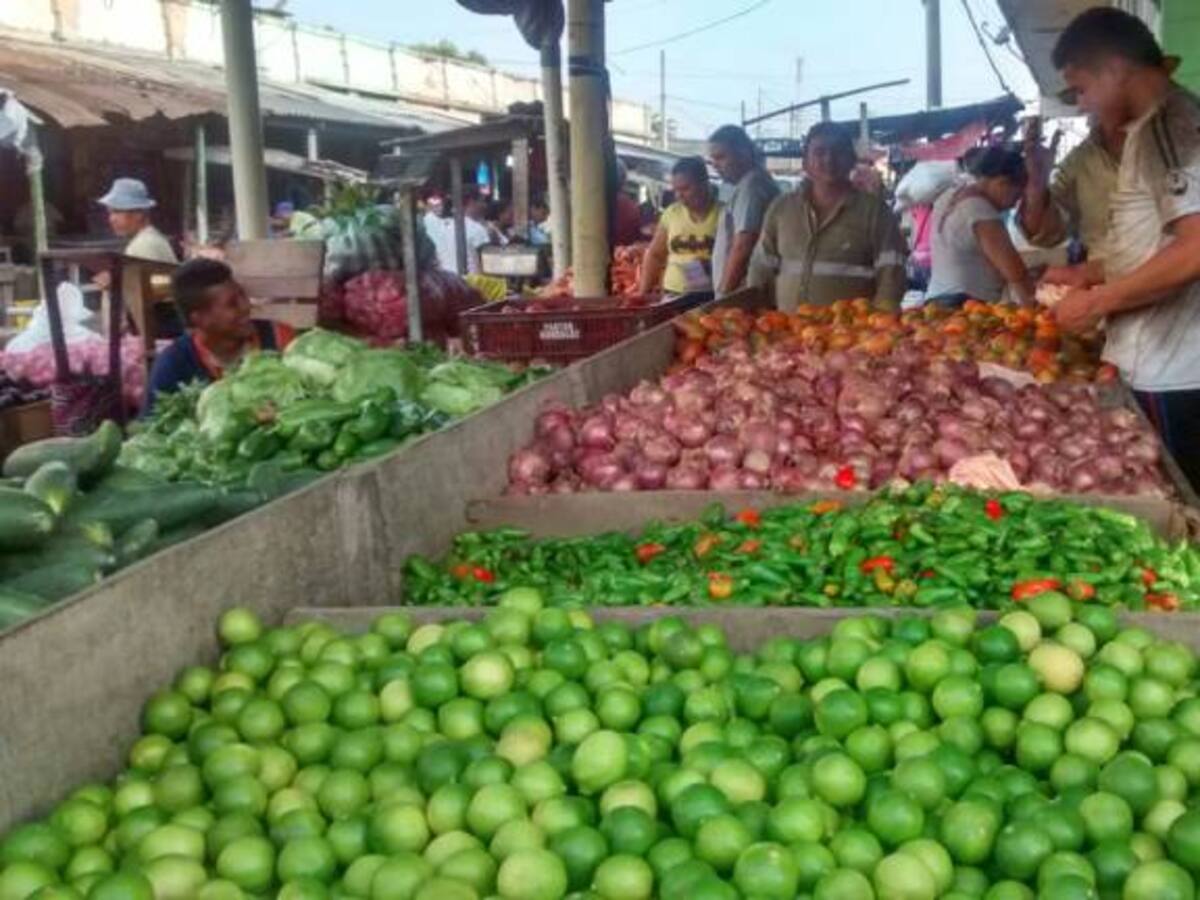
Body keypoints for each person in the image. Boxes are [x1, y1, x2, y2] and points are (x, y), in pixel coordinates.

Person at [1050, 7, 1200, 490]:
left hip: (1172, 371)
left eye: (1082, 89)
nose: (1082, 105)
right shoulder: (1156, 126)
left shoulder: (1167, 127)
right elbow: (1158, 241)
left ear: (1116, 69)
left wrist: (1096, 302)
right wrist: (1092, 272)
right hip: (1162, 363)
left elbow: (1195, 248)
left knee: (1182, 506)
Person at [750, 122, 907, 310]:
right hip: (786, 331)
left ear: (851, 160)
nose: (829, 159)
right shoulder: (781, 209)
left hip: (850, 335)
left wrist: (883, 323)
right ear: (805, 163)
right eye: (819, 152)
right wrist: (757, 317)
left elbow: (892, 274)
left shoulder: (875, 212)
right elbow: (761, 269)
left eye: (838, 152)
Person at [144, 258, 294, 413]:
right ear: (200, 318)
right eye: (232, 304)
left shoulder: (280, 338)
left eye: (243, 295)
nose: (247, 306)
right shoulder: (174, 365)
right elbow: (150, 427)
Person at [925, 147, 1034, 306]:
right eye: (1016, 196)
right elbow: (1015, 273)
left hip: (936, 299)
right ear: (1001, 183)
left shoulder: (948, 196)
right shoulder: (980, 210)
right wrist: (1034, 310)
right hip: (965, 305)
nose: (1013, 205)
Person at [1018, 114, 1122, 281]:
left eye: (1083, 91)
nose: (1082, 106)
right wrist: (1037, 181)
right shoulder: (1081, 158)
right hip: (1105, 282)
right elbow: (1047, 234)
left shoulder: (1170, 141)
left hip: (1170, 278)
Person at [708, 124, 780, 296]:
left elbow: (743, 244)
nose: (715, 165)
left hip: (741, 293)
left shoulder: (752, 187)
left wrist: (723, 295)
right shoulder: (748, 184)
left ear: (744, 153)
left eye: (721, 157)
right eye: (713, 160)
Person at [638, 157, 720, 297]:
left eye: (685, 188)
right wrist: (642, 293)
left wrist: (711, 265)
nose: (679, 195)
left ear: (704, 183)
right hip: (673, 293)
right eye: (676, 190)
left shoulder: (724, 214)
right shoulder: (672, 213)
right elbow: (655, 255)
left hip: (710, 294)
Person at [97, 178, 177, 264]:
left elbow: (149, 277)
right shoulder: (150, 239)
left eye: (117, 211)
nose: (111, 219)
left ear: (138, 213)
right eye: (110, 213)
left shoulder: (144, 245)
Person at [613, 161, 645, 247]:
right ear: (624, 181)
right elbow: (638, 237)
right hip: (622, 256)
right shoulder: (632, 207)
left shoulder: (592, 204)